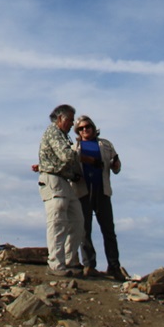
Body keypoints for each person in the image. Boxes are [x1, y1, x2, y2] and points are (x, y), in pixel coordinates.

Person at [34, 104, 87, 276]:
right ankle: (56, 264)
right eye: (70, 120)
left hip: (65, 181)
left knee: (77, 220)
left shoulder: (64, 136)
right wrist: (79, 153)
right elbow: (66, 156)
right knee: (57, 222)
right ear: (59, 119)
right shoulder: (53, 133)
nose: (72, 124)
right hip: (53, 180)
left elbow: (68, 159)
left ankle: (70, 261)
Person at [74, 115, 126, 280]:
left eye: (87, 126)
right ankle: (89, 265)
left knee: (108, 230)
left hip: (102, 190)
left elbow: (116, 166)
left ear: (93, 127)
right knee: (84, 230)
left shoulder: (105, 144)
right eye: (81, 128)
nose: (85, 130)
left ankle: (114, 266)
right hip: (83, 191)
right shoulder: (74, 147)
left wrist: (115, 164)